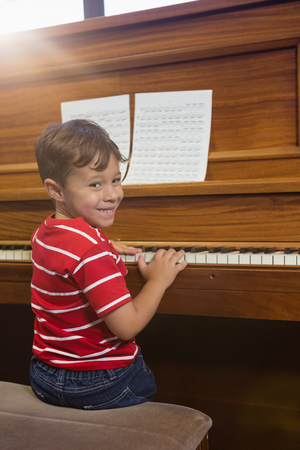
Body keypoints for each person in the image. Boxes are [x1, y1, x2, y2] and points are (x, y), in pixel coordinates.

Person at [30, 119, 187, 410]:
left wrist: (103, 245)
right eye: (96, 184)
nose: (113, 194)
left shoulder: (45, 233)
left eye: (116, 179)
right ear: (56, 190)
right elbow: (126, 327)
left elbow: (71, 256)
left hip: (45, 375)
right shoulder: (90, 251)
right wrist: (158, 280)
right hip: (98, 384)